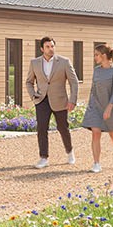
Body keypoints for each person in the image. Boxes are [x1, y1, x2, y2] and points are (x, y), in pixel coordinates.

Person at [26, 36, 80, 169]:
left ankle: (69, 152)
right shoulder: (34, 63)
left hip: (60, 100)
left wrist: (72, 100)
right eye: (48, 47)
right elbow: (29, 81)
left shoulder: (64, 62)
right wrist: (33, 96)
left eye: (52, 46)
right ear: (42, 49)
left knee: (63, 128)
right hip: (41, 100)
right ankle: (43, 158)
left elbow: (74, 82)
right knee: (41, 128)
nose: (51, 49)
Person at [83, 42, 113, 171]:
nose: (95, 57)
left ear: (104, 55)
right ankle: (96, 164)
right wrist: (90, 106)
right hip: (95, 106)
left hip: (110, 107)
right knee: (95, 133)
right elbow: (93, 89)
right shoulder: (96, 70)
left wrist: (109, 108)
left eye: (97, 55)